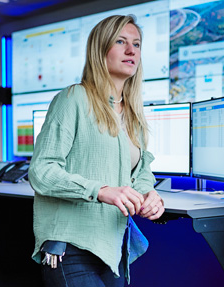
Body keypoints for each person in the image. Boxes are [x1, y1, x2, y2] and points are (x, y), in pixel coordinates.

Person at [28, 15, 164, 286]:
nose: (131, 50)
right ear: (100, 50)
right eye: (121, 41)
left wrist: (150, 194)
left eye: (136, 44)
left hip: (113, 248)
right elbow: (41, 171)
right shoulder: (74, 99)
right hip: (72, 247)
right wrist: (100, 190)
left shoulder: (132, 113)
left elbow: (140, 173)